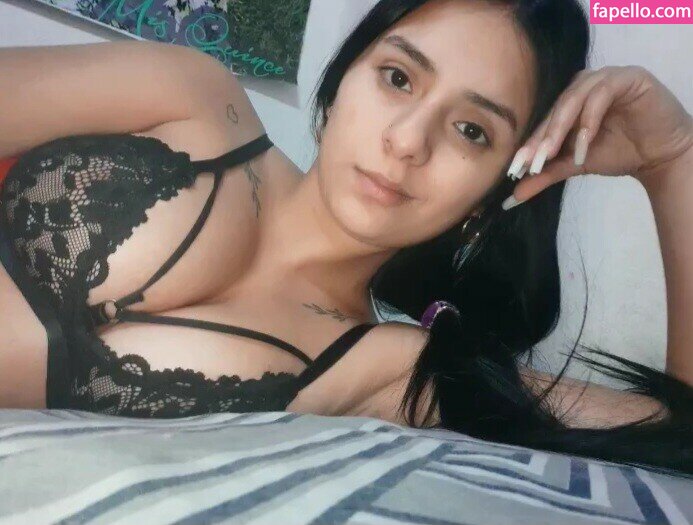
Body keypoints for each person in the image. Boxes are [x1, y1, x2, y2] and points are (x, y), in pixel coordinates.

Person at [0, 0, 691, 474]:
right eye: (397, 77)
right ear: (340, 83)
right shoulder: (187, 95)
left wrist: (672, 160)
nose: (407, 140)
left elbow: (675, 433)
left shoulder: (384, 367)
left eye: (471, 130)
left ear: (494, 193)